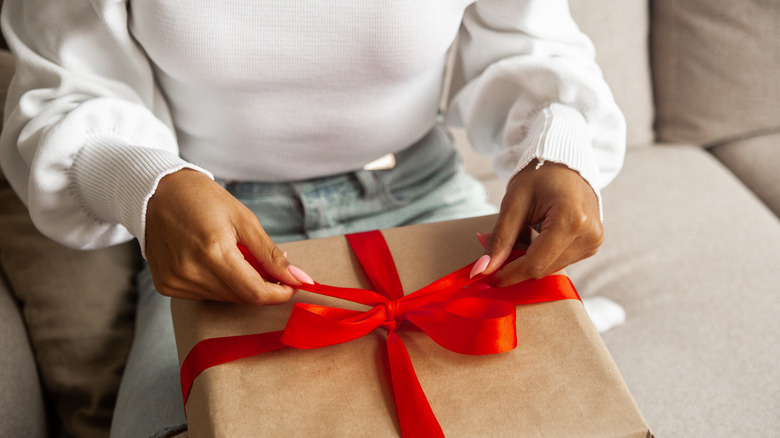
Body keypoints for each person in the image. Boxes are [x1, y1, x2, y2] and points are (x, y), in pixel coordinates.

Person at [0, 0, 625, 437]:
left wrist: (561, 145)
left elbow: (528, 43)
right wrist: (149, 188)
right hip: (219, 228)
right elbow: (68, 90)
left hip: (427, 201)